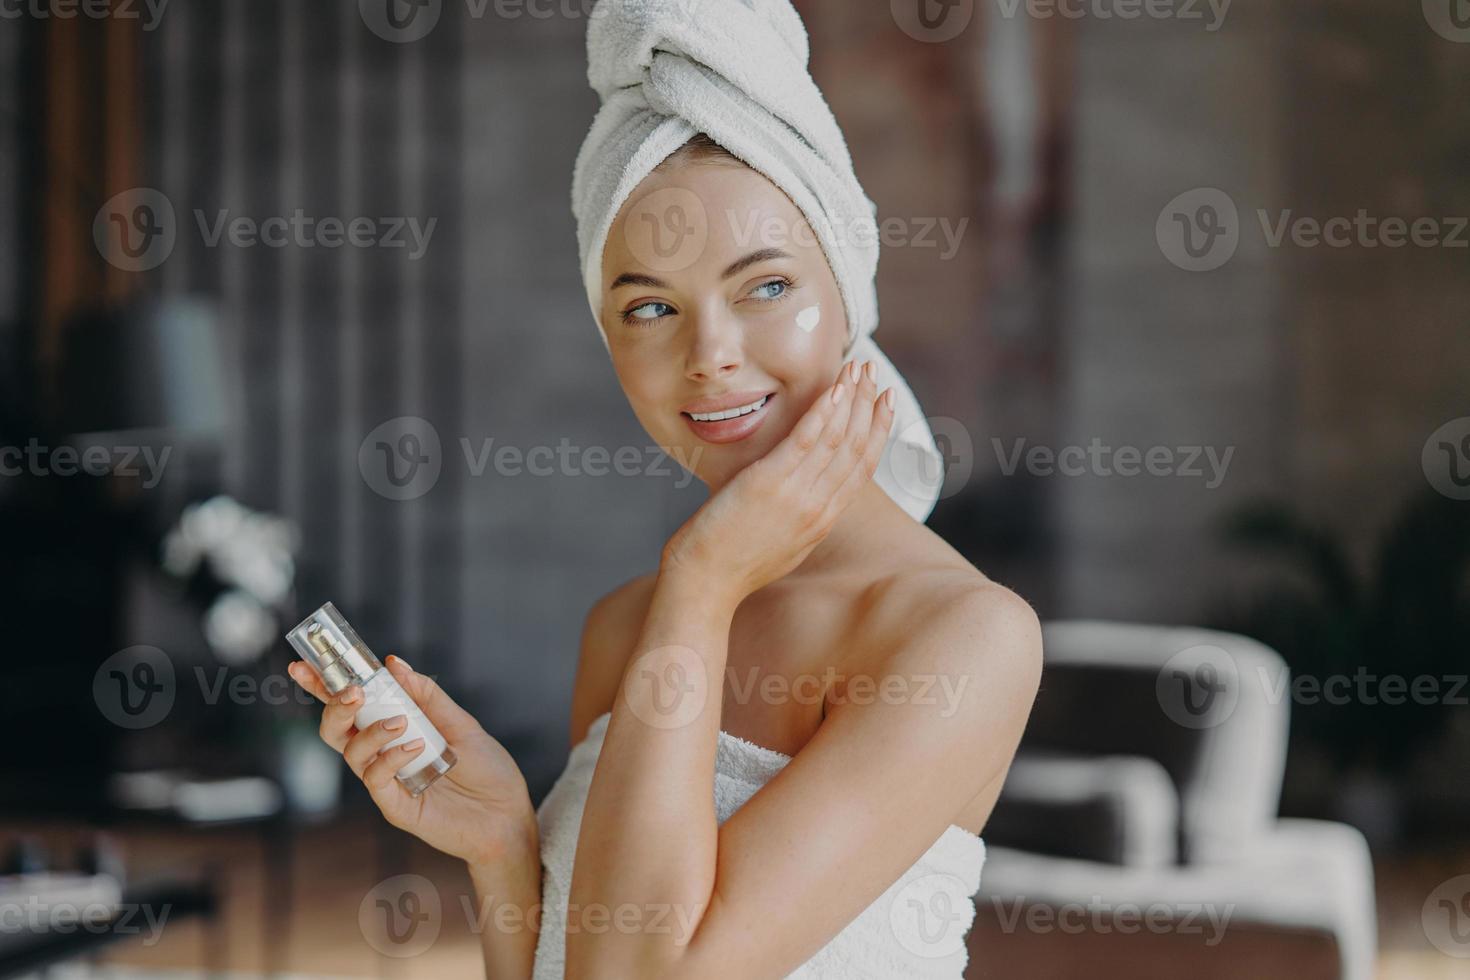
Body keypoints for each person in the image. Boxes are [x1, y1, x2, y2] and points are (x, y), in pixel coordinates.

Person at [288, 2, 1042, 977]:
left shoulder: (959, 634)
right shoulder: (627, 624)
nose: (711, 358)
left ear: (848, 291)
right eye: (649, 306)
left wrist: (702, 582)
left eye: (766, 286)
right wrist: (507, 850)